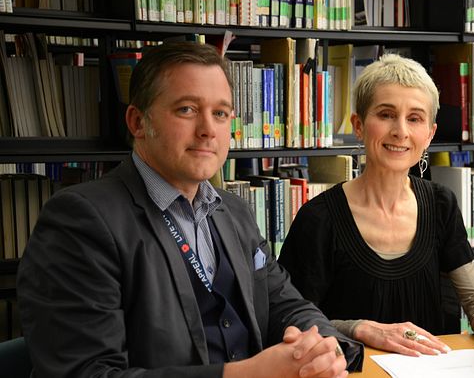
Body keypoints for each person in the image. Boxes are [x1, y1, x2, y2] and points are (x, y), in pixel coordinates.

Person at [17, 42, 362, 377]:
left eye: (220, 113)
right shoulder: (80, 221)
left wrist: (324, 347)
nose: (208, 130)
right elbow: (87, 372)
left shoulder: (234, 212)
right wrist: (242, 375)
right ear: (138, 122)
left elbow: (287, 305)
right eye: (187, 109)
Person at [278, 54, 474, 366]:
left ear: (429, 134)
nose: (400, 131)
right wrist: (362, 330)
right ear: (359, 126)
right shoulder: (318, 219)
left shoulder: (441, 204)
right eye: (386, 114)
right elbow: (289, 323)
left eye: (414, 118)